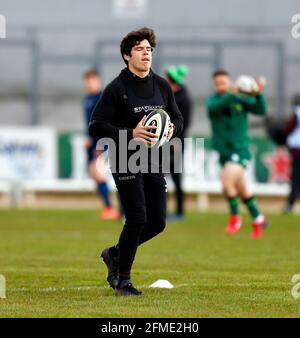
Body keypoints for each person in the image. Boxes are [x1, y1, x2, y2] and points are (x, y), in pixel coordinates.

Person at [89, 27, 183, 296]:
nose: (146, 53)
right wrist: (131, 133)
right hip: (124, 158)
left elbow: (178, 118)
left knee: (157, 223)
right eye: (140, 49)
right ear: (126, 56)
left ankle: (115, 254)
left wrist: (170, 131)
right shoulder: (117, 88)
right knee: (138, 217)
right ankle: (124, 281)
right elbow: (96, 126)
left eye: (149, 49)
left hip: (153, 158)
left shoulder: (162, 85)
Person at [206, 69, 268, 239]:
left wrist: (258, 95)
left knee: (227, 183)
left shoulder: (240, 100)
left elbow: (260, 110)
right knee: (242, 190)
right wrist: (233, 94)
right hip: (223, 152)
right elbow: (214, 108)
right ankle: (259, 218)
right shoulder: (214, 101)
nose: (221, 85)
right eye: (217, 83)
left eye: (223, 82)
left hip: (240, 150)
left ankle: (235, 218)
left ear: (230, 81)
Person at [83, 70, 120, 221]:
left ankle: (111, 208)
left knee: (97, 172)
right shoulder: (87, 99)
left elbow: (104, 121)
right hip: (93, 142)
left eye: (92, 81)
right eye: (87, 81)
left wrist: (100, 143)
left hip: (102, 142)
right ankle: (109, 208)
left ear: (98, 80)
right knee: (95, 175)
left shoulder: (102, 97)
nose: (89, 84)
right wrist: (88, 138)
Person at [165, 65, 192, 220]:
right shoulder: (171, 96)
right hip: (165, 142)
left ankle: (179, 211)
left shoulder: (183, 99)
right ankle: (166, 210)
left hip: (175, 143)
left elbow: (185, 123)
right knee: (163, 178)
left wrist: (175, 141)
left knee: (174, 177)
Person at [284, 94, 300, 213]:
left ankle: (290, 205)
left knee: (295, 179)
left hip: (297, 151)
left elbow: (287, 129)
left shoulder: (297, 113)